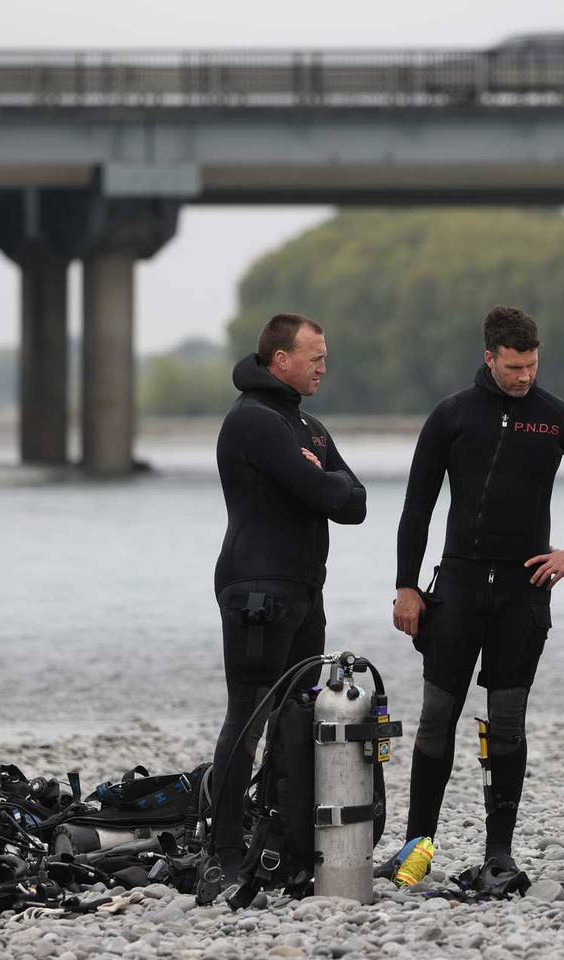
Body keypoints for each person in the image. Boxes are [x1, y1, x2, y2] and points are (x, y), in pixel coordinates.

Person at [390, 305, 564, 890]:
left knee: (507, 724)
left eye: (532, 366)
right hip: (459, 587)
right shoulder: (452, 416)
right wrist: (407, 584)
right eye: (513, 367)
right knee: (437, 718)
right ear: (489, 357)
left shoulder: (554, 418)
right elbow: (417, 506)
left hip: (523, 591)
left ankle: (499, 852)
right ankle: (417, 849)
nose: (524, 377)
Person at [200, 313, 367, 903]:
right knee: (247, 717)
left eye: (326, 356)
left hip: (305, 589)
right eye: (314, 356)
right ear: (281, 362)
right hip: (255, 591)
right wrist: (323, 483)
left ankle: (281, 842)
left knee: (298, 718)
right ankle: (219, 856)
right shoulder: (253, 421)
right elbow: (324, 492)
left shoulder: (309, 427)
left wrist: (324, 482)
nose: (324, 365)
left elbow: (355, 502)